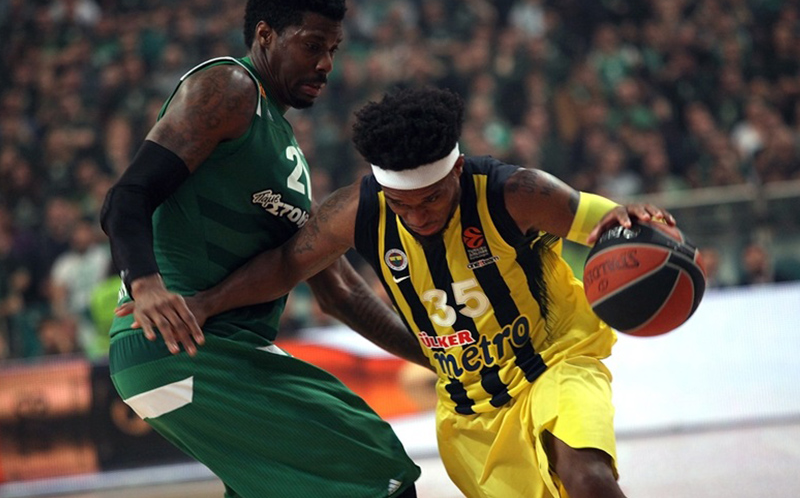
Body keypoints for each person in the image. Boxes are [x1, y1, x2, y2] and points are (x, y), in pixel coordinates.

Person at [121, 86, 678, 497]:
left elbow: (600, 220)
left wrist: (634, 221)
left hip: (554, 366)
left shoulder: (516, 192)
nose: (418, 215)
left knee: (588, 479)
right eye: (403, 204)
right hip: (469, 411)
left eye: (431, 199)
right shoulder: (355, 211)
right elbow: (285, 265)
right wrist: (205, 304)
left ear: (457, 170)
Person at [100, 0, 424, 497]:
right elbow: (127, 195)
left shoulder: (284, 151)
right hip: (180, 345)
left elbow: (340, 291)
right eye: (313, 46)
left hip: (230, 351)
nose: (326, 64)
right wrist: (145, 285)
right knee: (379, 471)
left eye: (333, 50)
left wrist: (438, 358)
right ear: (266, 35)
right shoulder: (230, 87)